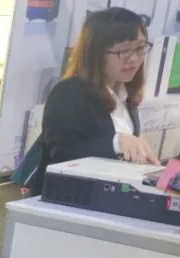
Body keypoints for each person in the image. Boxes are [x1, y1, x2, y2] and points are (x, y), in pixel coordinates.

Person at [36, 7, 157, 195]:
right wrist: (116, 143)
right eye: (124, 51)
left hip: (111, 196)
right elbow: (62, 155)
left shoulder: (125, 94)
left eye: (140, 48)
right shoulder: (69, 92)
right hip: (71, 199)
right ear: (96, 53)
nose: (134, 59)